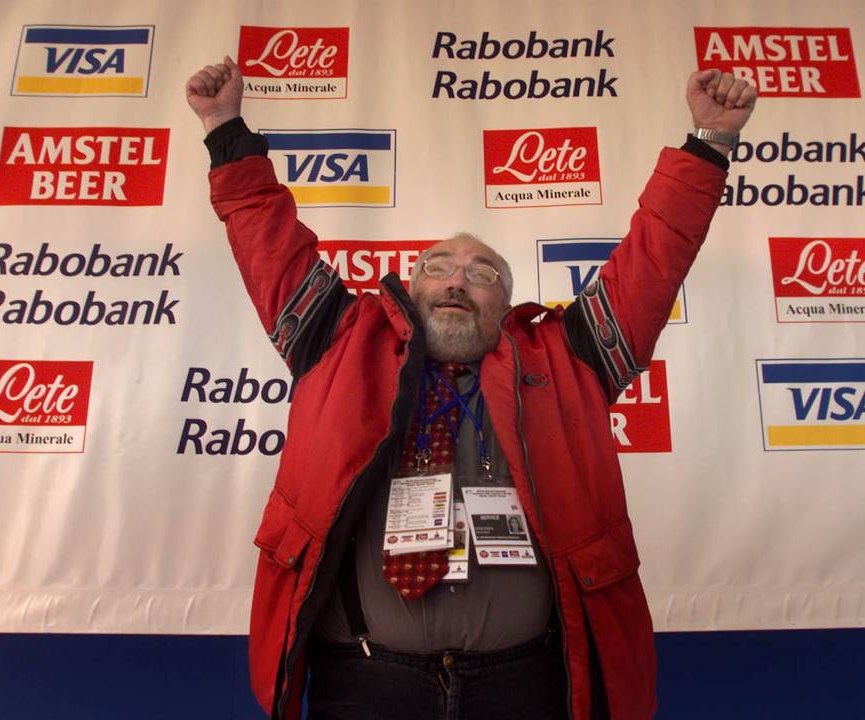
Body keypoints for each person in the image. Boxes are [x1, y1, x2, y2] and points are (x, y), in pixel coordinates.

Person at [186, 54, 756, 720]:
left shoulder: (570, 360)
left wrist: (709, 142)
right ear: (408, 287)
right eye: (438, 267)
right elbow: (266, 240)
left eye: (482, 273)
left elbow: (656, 256)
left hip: (524, 687)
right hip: (367, 687)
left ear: (506, 304)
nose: (458, 280)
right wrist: (225, 129)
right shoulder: (340, 344)